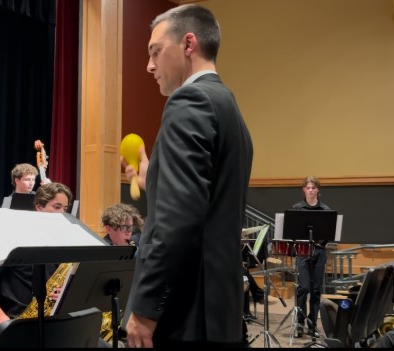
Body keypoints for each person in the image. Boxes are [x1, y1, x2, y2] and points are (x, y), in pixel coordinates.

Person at [121, 4, 253, 348]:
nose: (149, 65)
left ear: (188, 44)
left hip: (186, 314)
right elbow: (203, 203)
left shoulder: (188, 101)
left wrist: (146, 310)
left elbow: (177, 222)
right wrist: (154, 176)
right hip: (218, 312)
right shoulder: (228, 106)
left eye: (156, 51)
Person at [0, 182, 73, 342]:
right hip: (14, 321)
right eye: (57, 207)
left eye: (65, 208)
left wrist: (62, 292)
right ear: (39, 207)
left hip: (48, 321)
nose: (62, 213)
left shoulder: (61, 241)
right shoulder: (12, 238)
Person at [291, 175, 331, 338]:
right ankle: (299, 323)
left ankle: (312, 324)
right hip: (303, 253)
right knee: (304, 288)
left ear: (318, 190)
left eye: (313, 188)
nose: (311, 190)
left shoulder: (326, 210)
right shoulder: (297, 208)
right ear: (304, 190)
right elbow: (293, 232)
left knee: (315, 290)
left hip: (319, 252)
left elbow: (329, 233)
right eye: (308, 188)